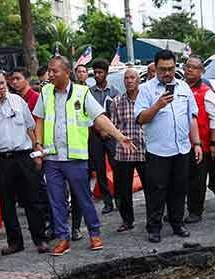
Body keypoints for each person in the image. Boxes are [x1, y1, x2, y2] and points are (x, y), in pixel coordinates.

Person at [32, 56, 135, 254]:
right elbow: (40, 120)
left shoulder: (82, 92)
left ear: (66, 72)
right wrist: (38, 143)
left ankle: (94, 234)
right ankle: (63, 238)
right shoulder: (45, 92)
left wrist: (120, 137)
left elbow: (99, 118)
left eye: (55, 71)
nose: (51, 74)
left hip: (75, 158)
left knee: (83, 198)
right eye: (49, 71)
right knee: (56, 200)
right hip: (52, 157)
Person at [0, 68, 48, 255]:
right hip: (0, 160)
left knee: (33, 199)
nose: (2, 87)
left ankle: (40, 239)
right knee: (7, 204)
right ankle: (15, 242)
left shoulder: (17, 101)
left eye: (3, 83)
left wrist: (36, 152)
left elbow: (31, 129)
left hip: (24, 156)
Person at [135, 49, 202, 243]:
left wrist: (196, 143)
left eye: (171, 69)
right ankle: (154, 227)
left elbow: (192, 118)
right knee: (157, 190)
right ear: (155, 68)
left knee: (179, 188)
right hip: (158, 151)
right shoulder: (146, 89)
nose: (167, 73)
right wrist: (158, 105)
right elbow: (140, 118)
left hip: (182, 149)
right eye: (163, 69)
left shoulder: (183, 87)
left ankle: (177, 223)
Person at [183, 55, 215, 225]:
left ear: (201, 71)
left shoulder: (207, 93)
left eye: (194, 67)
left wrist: (214, 144)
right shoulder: (178, 88)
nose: (190, 70)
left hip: (202, 145)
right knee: (179, 180)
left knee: (197, 180)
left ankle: (195, 211)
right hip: (180, 144)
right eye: (187, 66)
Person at [108, 67, 146, 232]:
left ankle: (153, 218)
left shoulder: (146, 100)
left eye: (132, 78)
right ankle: (127, 220)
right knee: (123, 191)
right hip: (124, 153)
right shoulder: (117, 102)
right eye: (126, 78)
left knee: (151, 187)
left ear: (138, 81)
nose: (129, 81)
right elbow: (113, 127)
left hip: (144, 151)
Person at [88, 59, 121, 215]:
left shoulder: (114, 91)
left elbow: (117, 114)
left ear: (106, 73)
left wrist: (108, 130)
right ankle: (107, 202)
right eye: (95, 72)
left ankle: (120, 198)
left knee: (116, 166)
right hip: (95, 135)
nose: (97, 75)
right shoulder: (89, 92)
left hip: (111, 134)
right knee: (100, 170)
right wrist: (99, 129)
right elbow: (87, 114)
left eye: (100, 72)